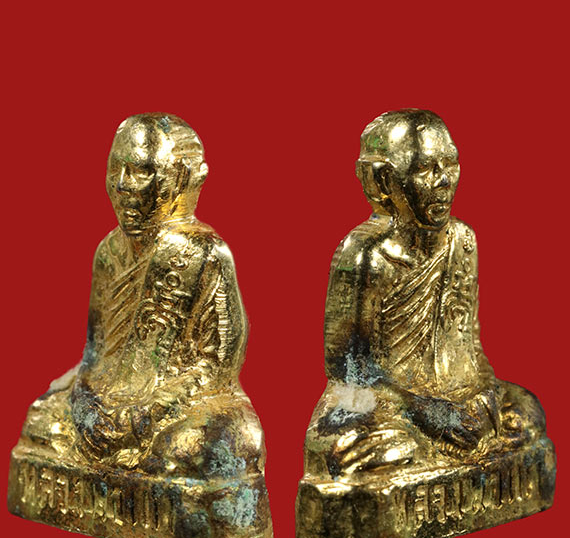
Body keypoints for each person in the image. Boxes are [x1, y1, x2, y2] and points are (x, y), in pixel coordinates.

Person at [19, 113, 266, 482]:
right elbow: (94, 356)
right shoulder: (109, 252)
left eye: (140, 172)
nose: (123, 185)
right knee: (41, 417)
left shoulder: (204, 253)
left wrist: (151, 410)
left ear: (178, 178)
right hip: (107, 399)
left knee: (209, 445)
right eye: (115, 170)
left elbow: (216, 367)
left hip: (173, 402)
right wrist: (88, 402)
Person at [304, 109, 546, 481]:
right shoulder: (366, 255)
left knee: (527, 411)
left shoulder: (462, 241)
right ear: (383, 180)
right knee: (351, 452)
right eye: (424, 169)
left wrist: (482, 395)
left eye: (450, 164)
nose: (443, 180)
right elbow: (349, 372)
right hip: (389, 405)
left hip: (455, 392)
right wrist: (425, 413)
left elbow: (468, 342)